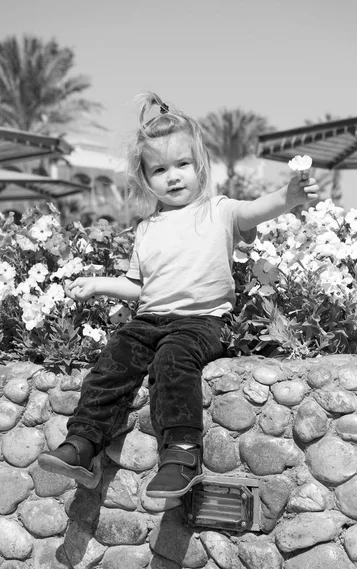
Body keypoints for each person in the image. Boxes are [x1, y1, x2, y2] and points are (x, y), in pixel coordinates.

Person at [38, 92, 319, 498]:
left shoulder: (219, 210)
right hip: (149, 319)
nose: (173, 176)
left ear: (199, 165)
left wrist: (288, 197)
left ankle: (182, 455)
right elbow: (139, 287)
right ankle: (82, 444)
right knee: (113, 359)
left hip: (202, 322)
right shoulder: (147, 228)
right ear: (144, 177)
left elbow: (258, 208)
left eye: (182, 164)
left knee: (173, 361)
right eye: (160, 169)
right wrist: (98, 283)